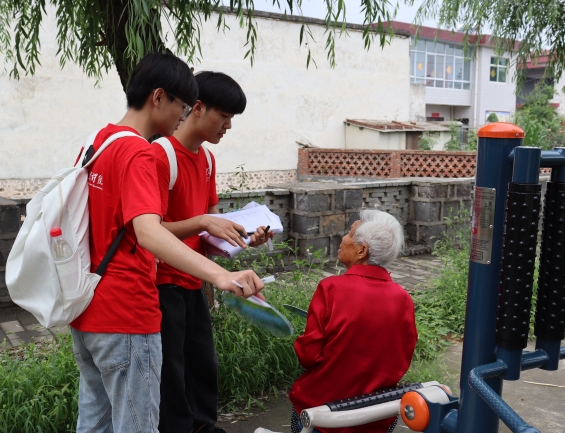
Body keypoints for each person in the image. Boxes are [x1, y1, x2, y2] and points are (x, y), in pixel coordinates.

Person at [69, 54, 263, 433]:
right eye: (183, 106)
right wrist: (220, 275)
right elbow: (148, 230)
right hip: (127, 313)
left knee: (95, 424)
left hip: (88, 306)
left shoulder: (100, 142)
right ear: (158, 97)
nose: (183, 115)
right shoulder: (142, 153)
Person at [153, 71, 274, 433]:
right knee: (171, 373)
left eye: (231, 118)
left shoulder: (206, 160)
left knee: (202, 365)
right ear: (198, 108)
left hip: (195, 281)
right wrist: (204, 221)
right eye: (224, 116)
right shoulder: (161, 156)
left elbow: (207, 234)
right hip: (161, 284)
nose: (228, 126)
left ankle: (203, 427)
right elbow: (148, 230)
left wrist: (242, 239)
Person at [288, 209, 417, 433]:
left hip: (324, 412)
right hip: (376, 417)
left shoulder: (331, 289)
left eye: (349, 233)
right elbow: (401, 358)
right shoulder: (403, 298)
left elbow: (308, 356)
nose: (343, 238)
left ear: (362, 250)